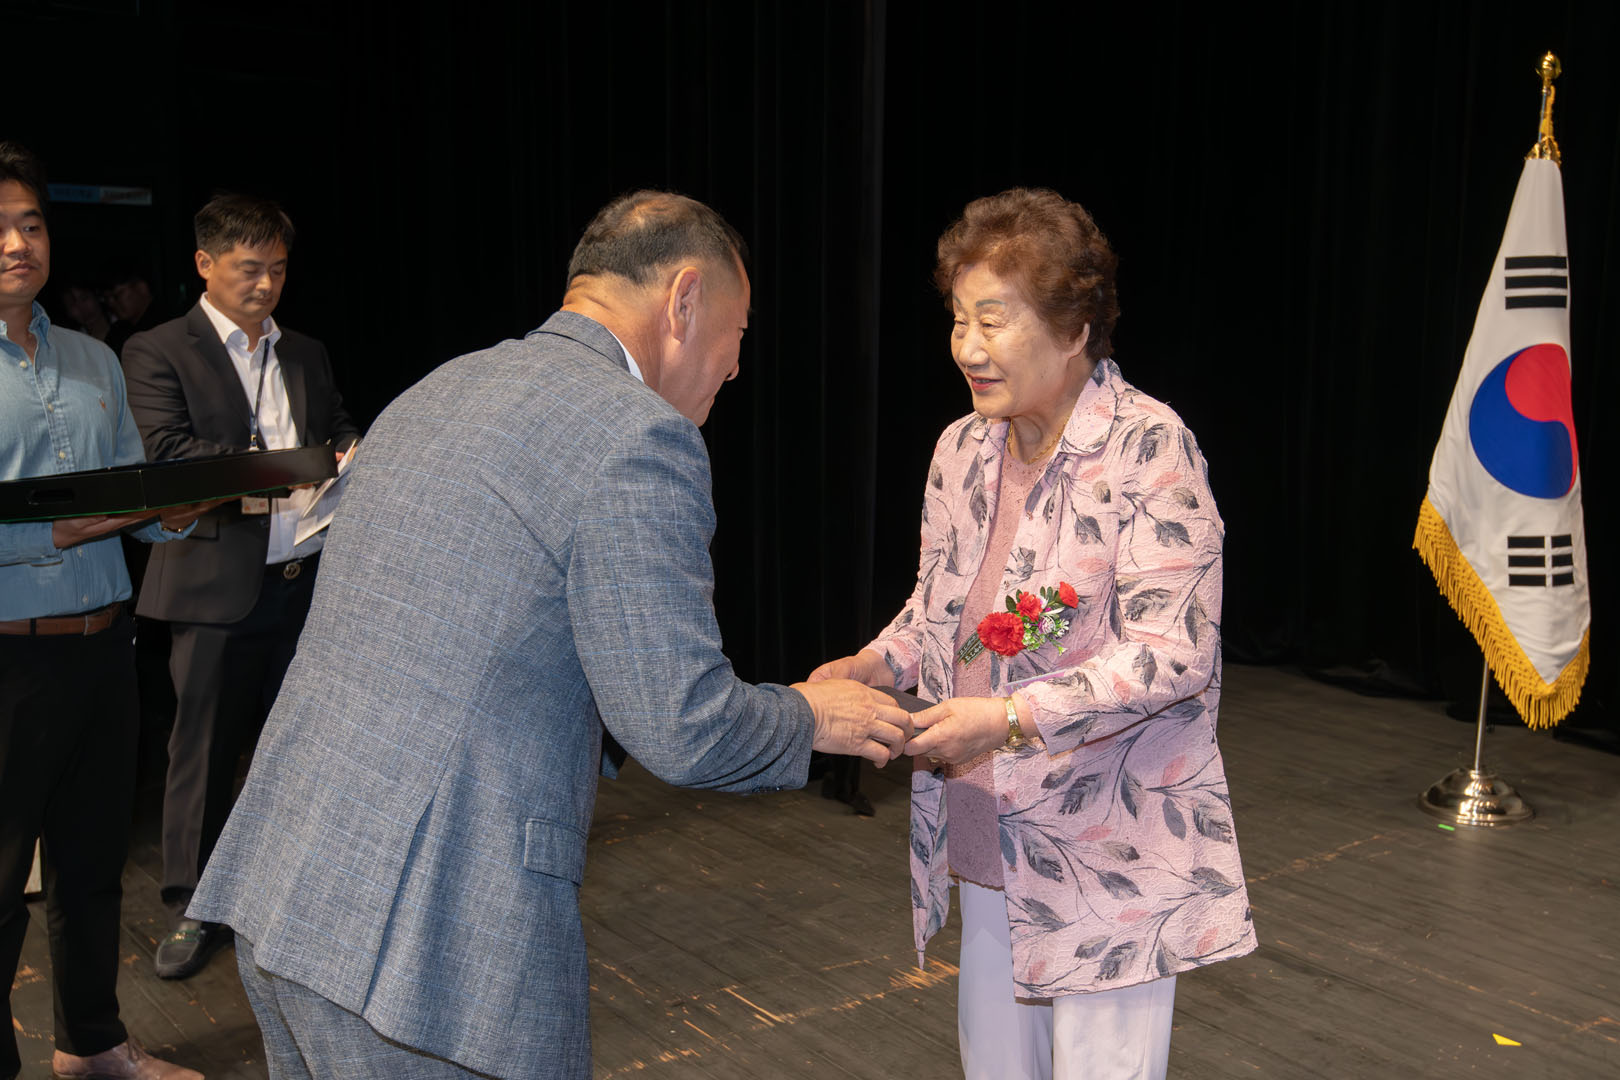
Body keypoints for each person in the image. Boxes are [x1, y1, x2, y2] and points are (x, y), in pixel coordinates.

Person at [187, 190, 914, 1078]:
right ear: (684, 299)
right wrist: (813, 715)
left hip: (285, 887)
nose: (732, 370)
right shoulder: (637, 437)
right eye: (739, 334)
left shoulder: (439, 386)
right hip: (420, 954)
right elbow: (681, 726)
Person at [811, 188, 1257, 1080]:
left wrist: (1007, 720)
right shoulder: (962, 449)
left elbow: (1173, 652)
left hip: (1108, 854)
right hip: (988, 832)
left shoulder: (1149, 447)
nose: (966, 347)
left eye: (993, 320)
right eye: (958, 319)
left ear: (1074, 329)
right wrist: (870, 663)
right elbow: (939, 610)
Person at [0, 142, 209, 1080]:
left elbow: (135, 498)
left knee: (89, 869)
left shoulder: (94, 358)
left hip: (104, 647)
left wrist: (178, 510)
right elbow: (73, 518)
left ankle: (90, 1045)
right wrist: (64, 528)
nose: (18, 243)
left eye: (31, 224)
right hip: (9, 658)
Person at [121, 194, 359, 981]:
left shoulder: (306, 351)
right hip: (215, 585)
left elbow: (335, 425)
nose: (266, 284)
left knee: (302, 748)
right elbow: (168, 453)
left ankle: (293, 894)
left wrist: (351, 450)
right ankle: (194, 907)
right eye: (249, 268)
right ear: (204, 263)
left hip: (306, 579)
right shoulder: (159, 349)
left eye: (278, 270)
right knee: (204, 750)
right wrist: (285, 467)